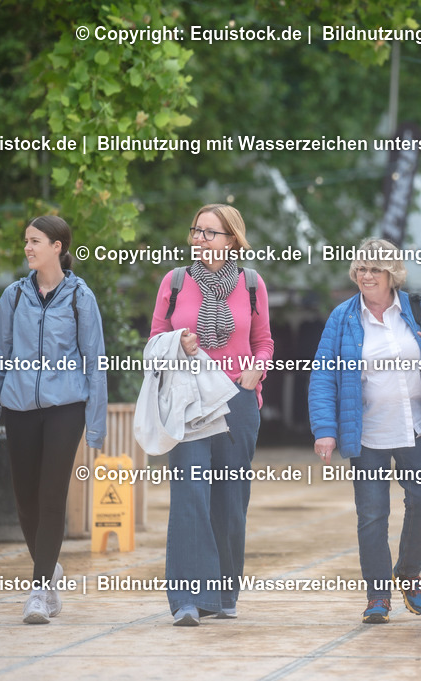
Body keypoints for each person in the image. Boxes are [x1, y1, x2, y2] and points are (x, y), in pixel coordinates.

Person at [309, 238, 421, 624]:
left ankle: (408, 573)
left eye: (375, 269)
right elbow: (323, 375)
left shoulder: (418, 308)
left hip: (417, 429)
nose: (366, 276)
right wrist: (325, 430)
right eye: (361, 269)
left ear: (392, 273)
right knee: (373, 515)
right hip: (367, 434)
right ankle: (378, 596)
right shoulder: (342, 317)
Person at [150, 204, 274, 627]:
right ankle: (187, 599)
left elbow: (264, 341)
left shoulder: (252, 284)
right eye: (196, 231)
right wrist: (176, 343)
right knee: (190, 495)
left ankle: (222, 593)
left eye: (210, 232)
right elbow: (155, 338)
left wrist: (257, 370)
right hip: (188, 401)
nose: (199, 239)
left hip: (238, 399)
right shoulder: (175, 281)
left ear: (231, 240)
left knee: (230, 501)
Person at [0, 215, 107, 624]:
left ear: (57, 246)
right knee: (25, 500)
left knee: (52, 496)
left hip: (65, 409)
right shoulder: (14, 296)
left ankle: (38, 592)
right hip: (18, 409)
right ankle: (49, 569)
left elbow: (96, 363)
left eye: (35, 241)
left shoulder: (80, 297)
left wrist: (96, 425)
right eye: (26, 241)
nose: (27, 248)